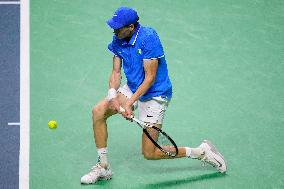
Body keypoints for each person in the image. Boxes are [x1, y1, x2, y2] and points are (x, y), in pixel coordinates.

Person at [81, 7, 227, 184]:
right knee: (98, 111)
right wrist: (112, 95)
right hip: (134, 86)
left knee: (151, 153)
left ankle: (201, 151)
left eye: (118, 28)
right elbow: (116, 71)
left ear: (132, 27)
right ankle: (103, 166)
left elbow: (150, 78)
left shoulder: (148, 38)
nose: (114, 30)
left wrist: (129, 103)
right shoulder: (118, 37)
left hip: (155, 94)